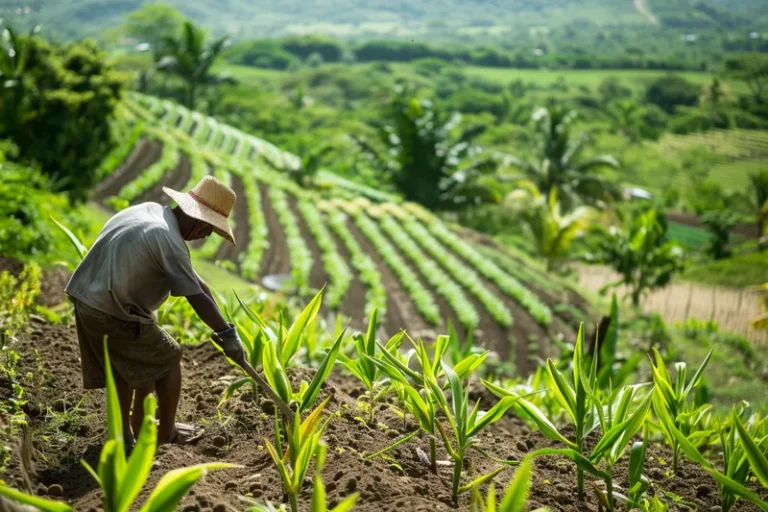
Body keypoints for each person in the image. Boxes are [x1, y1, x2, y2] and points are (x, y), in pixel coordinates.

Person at [65, 176, 245, 447]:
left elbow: (200, 285)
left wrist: (228, 331)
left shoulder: (151, 213)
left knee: (131, 367)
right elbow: (196, 297)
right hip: (112, 311)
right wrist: (224, 332)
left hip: (88, 300)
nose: (207, 235)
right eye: (209, 228)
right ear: (197, 220)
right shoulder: (169, 241)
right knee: (168, 357)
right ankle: (166, 433)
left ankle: (131, 430)